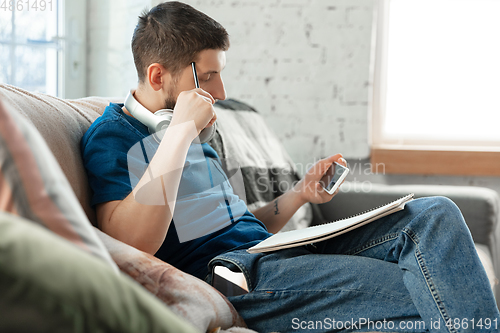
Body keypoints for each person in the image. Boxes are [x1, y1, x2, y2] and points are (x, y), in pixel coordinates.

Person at [81, 2, 500, 332]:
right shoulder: (112, 137)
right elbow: (129, 242)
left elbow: (239, 223)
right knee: (433, 290)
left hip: (273, 253)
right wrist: (175, 137)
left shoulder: (195, 133)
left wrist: (300, 193)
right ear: (157, 76)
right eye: (207, 77)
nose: (221, 92)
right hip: (234, 275)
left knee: (436, 214)